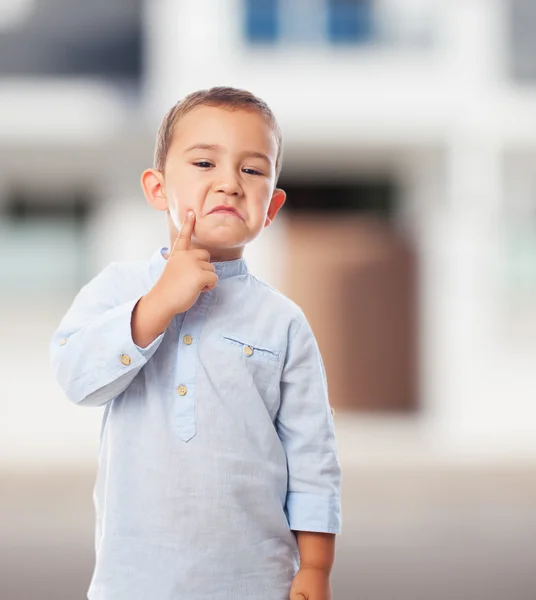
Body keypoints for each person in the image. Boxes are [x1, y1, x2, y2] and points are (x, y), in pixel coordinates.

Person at [49, 86, 342, 600]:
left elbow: (312, 455)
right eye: (205, 162)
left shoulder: (283, 322)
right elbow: (76, 378)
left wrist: (315, 566)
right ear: (158, 189)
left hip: (257, 582)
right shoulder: (118, 288)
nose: (229, 183)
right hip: (134, 583)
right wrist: (158, 303)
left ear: (271, 205)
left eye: (252, 170)